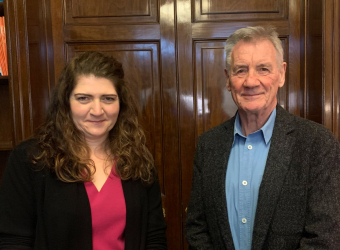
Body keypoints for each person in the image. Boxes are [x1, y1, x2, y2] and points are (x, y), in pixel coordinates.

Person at [185, 26, 340, 249]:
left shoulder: (317, 144)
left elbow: (324, 239)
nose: (251, 82)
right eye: (240, 70)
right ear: (228, 79)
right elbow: (197, 228)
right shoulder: (208, 145)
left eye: (263, 69)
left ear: (281, 74)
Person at [0, 51, 167, 250]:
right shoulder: (31, 159)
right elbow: (13, 241)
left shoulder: (138, 158)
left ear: (121, 104)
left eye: (107, 98)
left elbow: (154, 238)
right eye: (83, 98)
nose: (97, 110)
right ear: (66, 102)